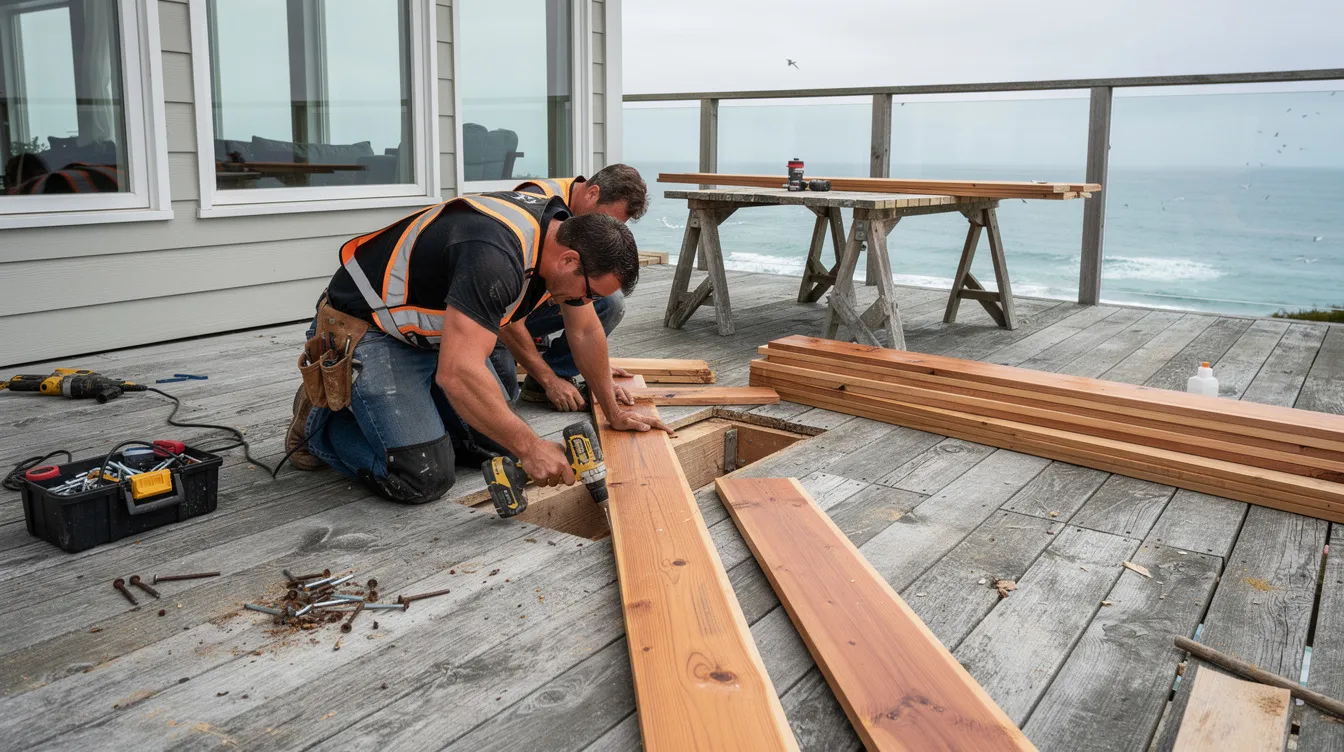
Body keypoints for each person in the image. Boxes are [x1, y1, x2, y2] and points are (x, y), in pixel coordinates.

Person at [285, 189, 672, 505]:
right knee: (423, 476)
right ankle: (322, 423)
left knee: (489, 443)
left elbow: (586, 333)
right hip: (370, 330)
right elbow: (457, 373)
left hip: (433, 334)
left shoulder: (560, 237)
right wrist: (531, 447)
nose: (585, 301)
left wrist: (612, 409)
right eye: (588, 292)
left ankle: (402, 416)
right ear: (570, 260)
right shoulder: (495, 255)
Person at [511, 165, 649, 411]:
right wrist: (548, 381)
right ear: (593, 193)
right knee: (499, 398)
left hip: (531, 303)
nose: (606, 226)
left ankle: (558, 371)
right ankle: (539, 373)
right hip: (499, 313)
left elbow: (584, 325)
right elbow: (506, 313)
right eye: (606, 218)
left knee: (607, 300)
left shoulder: (581, 213)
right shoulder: (538, 203)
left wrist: (598, 372)